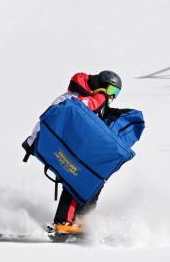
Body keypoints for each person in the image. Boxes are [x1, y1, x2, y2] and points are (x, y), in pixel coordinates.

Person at [22, 71, 126, 235]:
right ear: (103, 85)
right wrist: (101, 98)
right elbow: (80, 109)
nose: (112, 97)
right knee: (80, 177)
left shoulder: (86, 96)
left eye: (116, 94)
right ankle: (64, 222)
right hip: (45, 138)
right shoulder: (77, 96)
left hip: (56, 141)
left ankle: (80, 222)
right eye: (112, 91)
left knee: (94, 178)